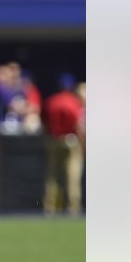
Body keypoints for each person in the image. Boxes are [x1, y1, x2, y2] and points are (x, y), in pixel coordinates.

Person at [42, 74, 84, 216]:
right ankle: (73, 207)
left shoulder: (51, 101)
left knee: (52, 175)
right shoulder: (74, 102)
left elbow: (44, 122)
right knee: (72, 175)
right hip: (71, 140)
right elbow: (78, 124)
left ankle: (50, 207)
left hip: (54, 140)